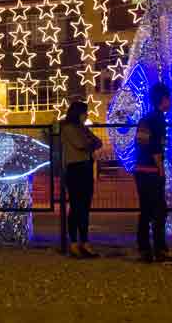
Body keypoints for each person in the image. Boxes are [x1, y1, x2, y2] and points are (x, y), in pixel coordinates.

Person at [134, 83, 172, 263]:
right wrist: (160, 168)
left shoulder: (145, 119)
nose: (170, 102)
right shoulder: (158, 120)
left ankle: (144, 248)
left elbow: (141, 142)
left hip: (140, 169)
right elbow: (156, 147)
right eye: (169, 98)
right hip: (151, 170)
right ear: (163, 99)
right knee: (159, 211)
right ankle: (160, 249)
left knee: (145, 211)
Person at [61, 100, 101, 258]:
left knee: (84, 206)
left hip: (85, 168)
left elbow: (98, 142)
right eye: (85, 112)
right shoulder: (69, 128)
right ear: (78, 113)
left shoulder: (82, 128)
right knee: (76, 206)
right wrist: (90, 143)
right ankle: (74, 242)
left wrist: (89, 143)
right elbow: (80, 145)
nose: (87, 115)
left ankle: (84, 241)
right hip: (75, 169)